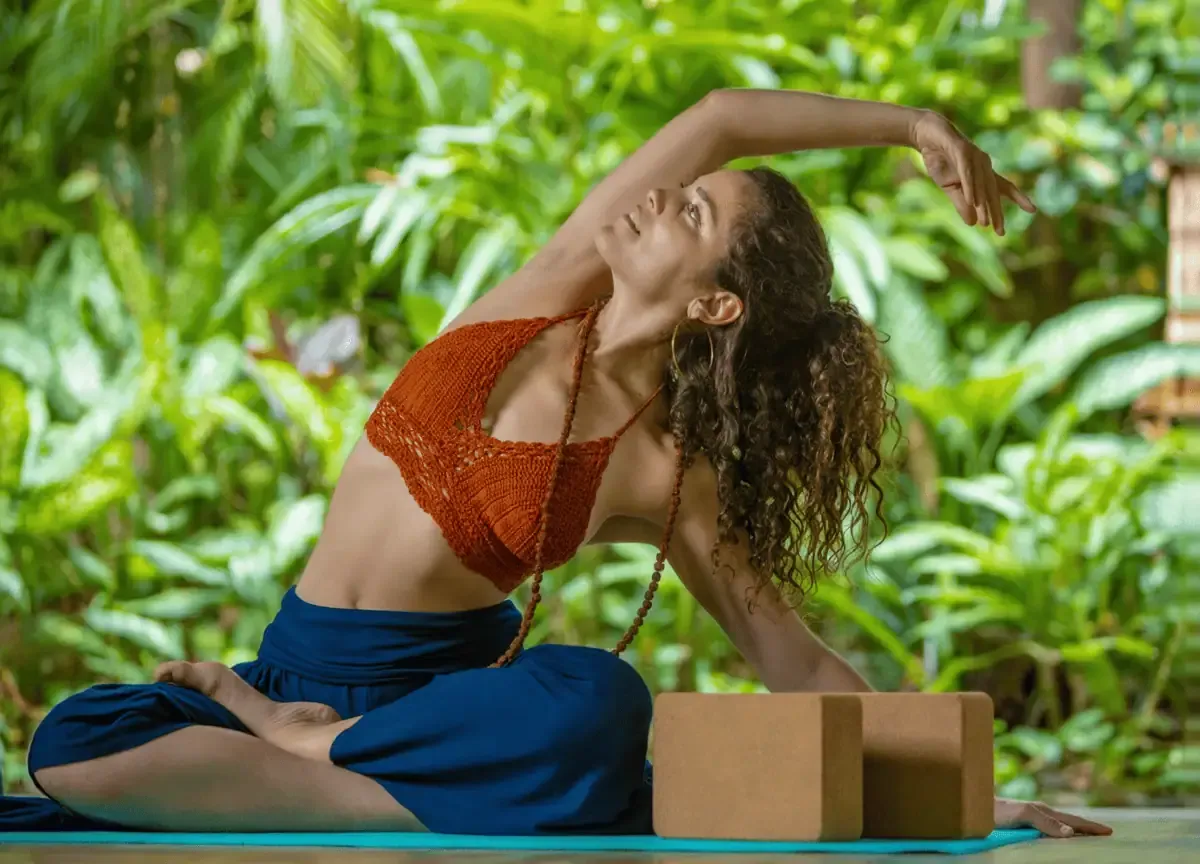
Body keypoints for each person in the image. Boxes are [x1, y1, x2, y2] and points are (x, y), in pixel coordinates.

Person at [2, 88, 1110, 839]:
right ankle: (355, 767)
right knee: (76, 741)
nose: (652, 194)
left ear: (714, 302)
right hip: (283, 679)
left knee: (596, 701)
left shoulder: (665, 469)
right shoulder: (541, 295)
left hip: (439, 713)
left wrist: (972, 796)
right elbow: (723, 118)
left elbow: (795, 658)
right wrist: (910, 123)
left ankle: (326, 763)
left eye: (687, 213)